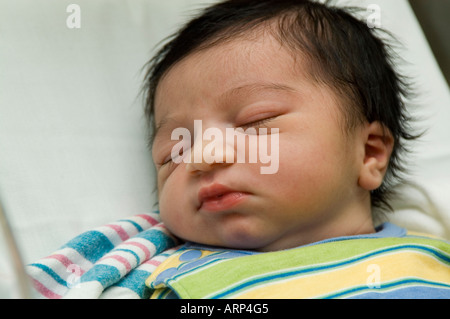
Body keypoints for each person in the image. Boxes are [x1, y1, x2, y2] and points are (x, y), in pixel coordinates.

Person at [141, 0, 450, 298]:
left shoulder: (428, 264)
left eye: (256, 121)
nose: (202, 157)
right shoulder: (156, 269)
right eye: (173, 152)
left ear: (369, 154)